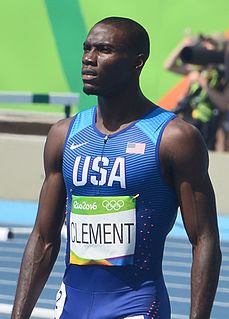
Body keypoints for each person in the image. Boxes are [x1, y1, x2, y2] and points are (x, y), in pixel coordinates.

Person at [11, 17, 221, 319]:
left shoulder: (174, 139)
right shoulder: (63, 135)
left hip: (135, 307)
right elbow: (43, 238)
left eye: (104, 50)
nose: (88, 59)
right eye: (87, 49)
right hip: (71, 305)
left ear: (137, 62)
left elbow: (204, 239)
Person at [164, 34, 229, 151]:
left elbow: (223, 104)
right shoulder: (198, 69)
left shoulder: (224, 76)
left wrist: (203, 83)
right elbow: (169, 66)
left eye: (211, 47)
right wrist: (183, 45)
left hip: (209, 129)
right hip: (188, 122)